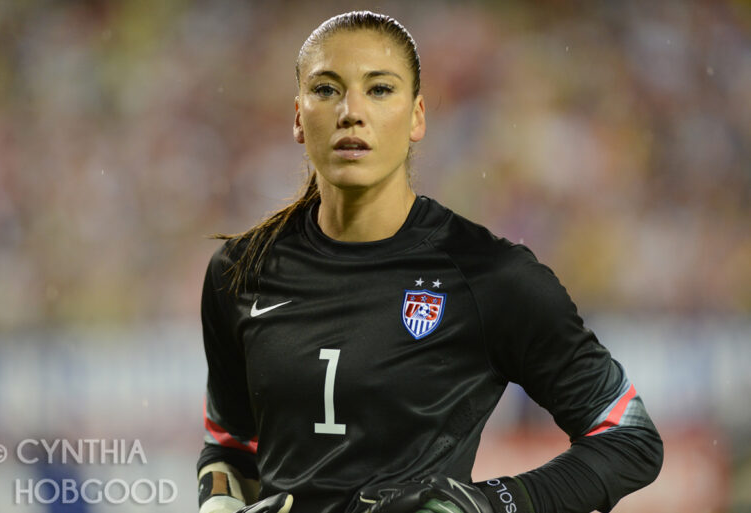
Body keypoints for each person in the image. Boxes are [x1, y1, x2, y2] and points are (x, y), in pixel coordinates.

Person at [195, 10, 663, 513]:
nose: (351, 111)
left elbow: (628, 436)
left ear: (417, 116)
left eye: (379, 90)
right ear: (297, 117)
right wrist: (219, 507)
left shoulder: (491, 275)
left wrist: (487, 503)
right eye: (327, 89)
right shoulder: (238, 272)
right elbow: (229, 446)